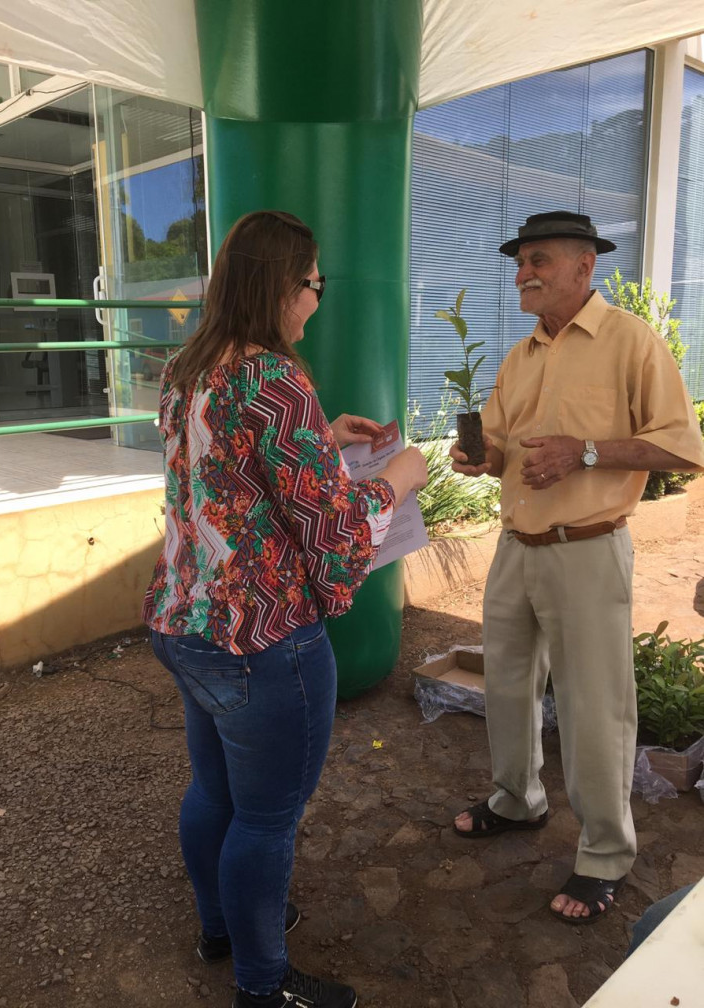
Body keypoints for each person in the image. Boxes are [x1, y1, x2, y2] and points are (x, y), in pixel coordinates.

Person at [143, 209, 427, 1008]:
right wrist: (402, 473)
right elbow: (337, 538)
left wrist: (324, 439)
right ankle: (262, 988)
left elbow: (227, 474)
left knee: (215, 795)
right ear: (281, 285)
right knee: (267, 821)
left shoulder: (186, 371)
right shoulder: (272, 379)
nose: (316, 300)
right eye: (313, 284)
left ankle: (221, 927)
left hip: (188, 624)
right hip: (262, 638)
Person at [449, 210, 704, 924]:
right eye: (520, 262)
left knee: (596, 710)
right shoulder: (521, 353)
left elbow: (683, 446)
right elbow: (500, 445)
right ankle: (516, 800)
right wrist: (481, 458)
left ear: (584, 267)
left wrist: (586, 451)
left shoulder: (631, 342)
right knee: (505, 688)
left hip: (588, 549)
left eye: (538, 261)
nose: (523, 273)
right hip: (515, 547)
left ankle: (603, 854)